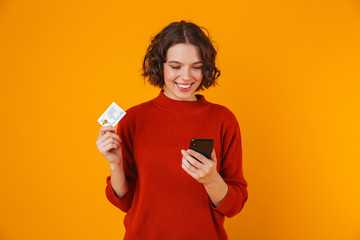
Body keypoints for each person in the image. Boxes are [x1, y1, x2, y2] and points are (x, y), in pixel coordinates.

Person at [96, 20, 248, 240]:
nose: (186, 77)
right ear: (160, 65)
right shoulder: (133, 119)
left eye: (196, 67)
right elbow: (124, 201)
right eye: (175, 67)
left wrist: (211, 179)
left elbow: (234, 206)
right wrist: (115, 164)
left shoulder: (223, 119)